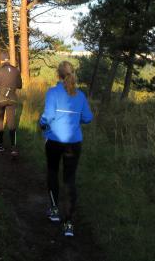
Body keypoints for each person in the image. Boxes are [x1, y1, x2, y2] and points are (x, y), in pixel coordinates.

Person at [39, 61, 93, 237]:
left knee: (53, 173)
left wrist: (41, 124)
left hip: (54, 140)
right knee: (69, 180)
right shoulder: (80, 95)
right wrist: (76, 121)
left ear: (58, 75)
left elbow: (48, 116)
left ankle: (54, 211)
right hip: (74, 142)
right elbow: (88, 117)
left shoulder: (53, 92)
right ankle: (68, 223)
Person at [0, 51, 22, 156]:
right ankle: (13, 148)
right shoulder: (16, 70)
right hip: (12, 99)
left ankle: (0, 145)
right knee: (12, 122)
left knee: (0, 120)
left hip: (0, 99)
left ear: (1, 60)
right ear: (8, 59)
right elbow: (19, 85)